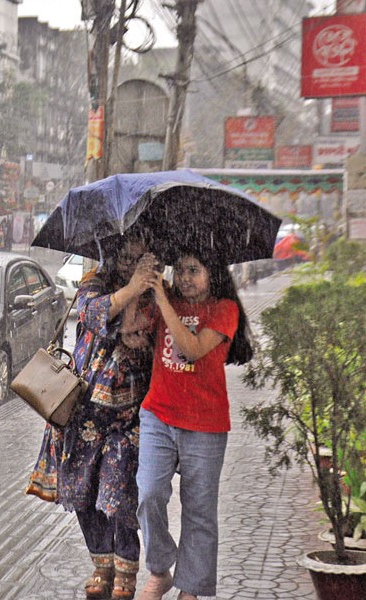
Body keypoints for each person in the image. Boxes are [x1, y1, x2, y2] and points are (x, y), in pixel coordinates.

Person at [26, 233, 160, 600]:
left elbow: (140, 331)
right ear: (115, 255)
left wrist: (136, 297)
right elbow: (92, 314)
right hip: (80, 412)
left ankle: (126, 571)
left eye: (141, 258)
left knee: (118, 494)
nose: (133, 265)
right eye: (128, 257)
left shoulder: (157, 292)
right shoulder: (94, 282)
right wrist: (131, 290)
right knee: (83, 493)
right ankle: (101, 565)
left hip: (128, 417)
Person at [135, 250, 252, 600]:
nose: (184, 278)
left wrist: (163, 300)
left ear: (211, 273)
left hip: (205, 424)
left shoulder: (224, 309)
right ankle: (160, 570)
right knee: (148, 494)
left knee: (199, 512)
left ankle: (192, 588)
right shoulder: (166, 298)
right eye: (180, 270)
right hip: (158, 414)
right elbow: (131, 329)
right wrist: (141, 280)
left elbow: (191, 349)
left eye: (194, 270)